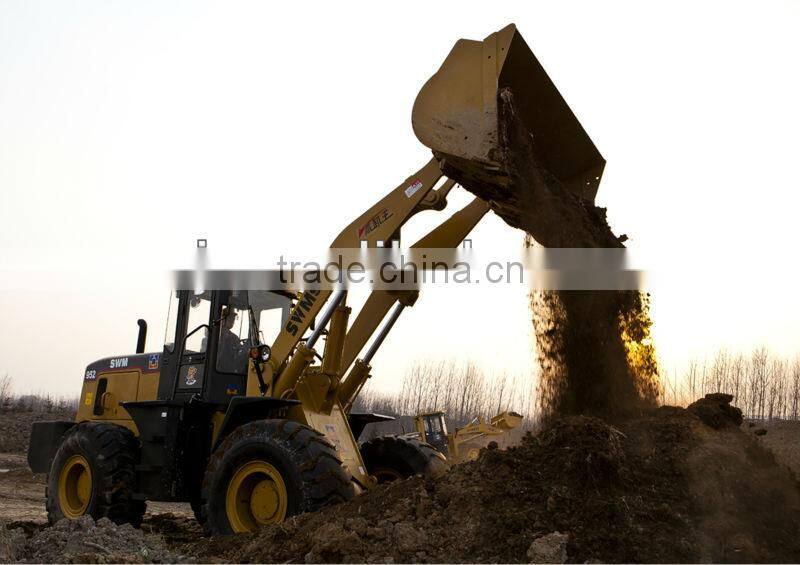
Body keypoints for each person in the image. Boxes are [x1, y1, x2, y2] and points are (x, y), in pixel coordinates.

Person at [217, 307, 246, 373]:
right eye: (230, 317)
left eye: (233, 318)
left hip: (230, 370)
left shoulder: (234, 337)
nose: (233, 320)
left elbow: (239, 352)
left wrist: (245, 350)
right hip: (221, 370)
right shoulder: (214, 335)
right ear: (223, 319)